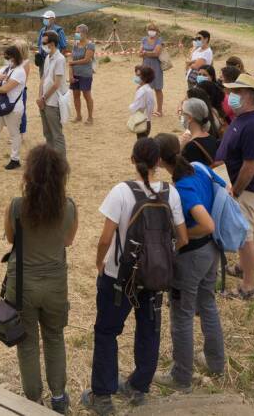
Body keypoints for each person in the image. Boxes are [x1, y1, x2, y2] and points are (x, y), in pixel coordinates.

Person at [82, 138, 188, 415]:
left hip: (121, 275)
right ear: (158, 163)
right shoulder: (171, 193)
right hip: (154, 276)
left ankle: (102, 396)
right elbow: (183, 237)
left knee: (107, 331)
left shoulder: (121, 191)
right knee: (149, 330)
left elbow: (106, 238)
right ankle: (139, 388)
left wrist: (99, 262)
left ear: (133, 160)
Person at [3, 145, 78, 412]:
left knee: (27, 342)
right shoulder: (68, 207)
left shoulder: (17, 206)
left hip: (23, 283)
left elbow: (11, 239)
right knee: (55, 337)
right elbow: (68, 241)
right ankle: (59, 397)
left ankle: (33, 399)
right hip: (55, 282)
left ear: (29, 175)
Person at [154, 133, 223, 392]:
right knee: (207, 303)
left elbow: (206, 224)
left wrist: (179, 234)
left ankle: (181, 376)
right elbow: (225, 187)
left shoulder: (181, 188)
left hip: (193, 255)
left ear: (160, 160)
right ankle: (215, 361)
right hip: (212, 251)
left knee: (181, 315)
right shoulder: (199, 168)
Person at [214, 73, 254, 300]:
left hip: (244, 190)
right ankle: (241, 268)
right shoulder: (240, 119)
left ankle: (247, 287)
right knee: (239, 232)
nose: (230, 96)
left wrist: (235, 191)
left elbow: (250, 165)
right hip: (233, 185)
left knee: (245, 236)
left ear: (247, 95)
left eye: (235, 92)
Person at [38, 31, 67, 159]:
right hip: (44, 101)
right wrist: (40, 97)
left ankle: (60, 162)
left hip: (53, 102)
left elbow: (56, 84)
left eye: (44, 42)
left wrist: (44, 98)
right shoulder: (47, 57)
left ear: (52, 43)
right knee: (47, 133)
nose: (42, 44)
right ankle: (50, 159)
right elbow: (43, 79)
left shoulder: (60, 59)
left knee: (56, 134)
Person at [68, 24, 95, 125]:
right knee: (76, 95)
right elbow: (71, 59)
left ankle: (90, 117)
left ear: (84, 33)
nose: (76, 34)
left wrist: (72, 63)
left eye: (78, 32)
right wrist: (70, 75)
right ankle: (78, 116)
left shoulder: (90, 45)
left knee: (87, 95)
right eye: (76, 32)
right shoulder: (75, 44)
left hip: (85, 74)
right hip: (75, 73)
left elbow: (87, 60)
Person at [179, 97, 219, 166]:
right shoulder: (212, 138)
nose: (180, 115)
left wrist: (180, 148)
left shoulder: (191, 147)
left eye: (182, 112)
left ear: (189, 118)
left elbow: (181, 172)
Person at [139, 24, 165, 117]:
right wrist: (145, 53)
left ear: (157, 30)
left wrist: (145, 53)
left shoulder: (159, 40)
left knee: (158, 88)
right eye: (149, 29)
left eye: (153, 29)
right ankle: (146, 109)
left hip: (156, 66)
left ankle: (159, 110)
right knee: (144, 88)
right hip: (145, 66)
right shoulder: (144, 39)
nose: (151, 31)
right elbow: (140, 53)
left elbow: (156, 54)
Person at [37, 11, 67, 75]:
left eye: (47, 18)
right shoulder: (42, 30)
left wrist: (58, 60)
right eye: (44, 18)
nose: (45, 20)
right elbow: (39, 44)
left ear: (53, 19)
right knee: (43, 78)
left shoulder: (59, 31)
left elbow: (63, 47)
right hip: (43, 60)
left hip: (54, 59)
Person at [129, 66, 156, 139]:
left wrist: (130, 107)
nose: (136, 77)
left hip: (142, 121)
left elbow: (137, 106)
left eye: (138, 75)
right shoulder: (148, 89)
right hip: (147, 120)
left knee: (141, 142)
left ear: (144, 78)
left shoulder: (142, 91)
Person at [15, 39, 33, 139]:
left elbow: (23, 79)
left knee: (21, 111)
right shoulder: (13, 60)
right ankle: (14, 132)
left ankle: (21, 133)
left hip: (21, 90)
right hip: (12, 89)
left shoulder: (25, 63)